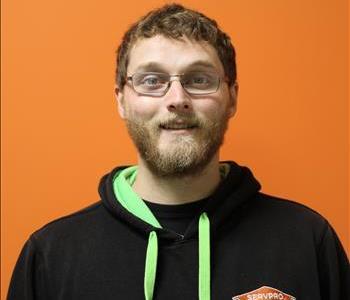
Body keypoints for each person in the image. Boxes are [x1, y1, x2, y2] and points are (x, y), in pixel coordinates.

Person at [7, 3, 349, 300]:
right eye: (152, 80)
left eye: (199, 79)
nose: (176, 99)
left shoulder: (307, 241)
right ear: (122, 101)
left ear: (232, 97)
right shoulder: (51, 256)